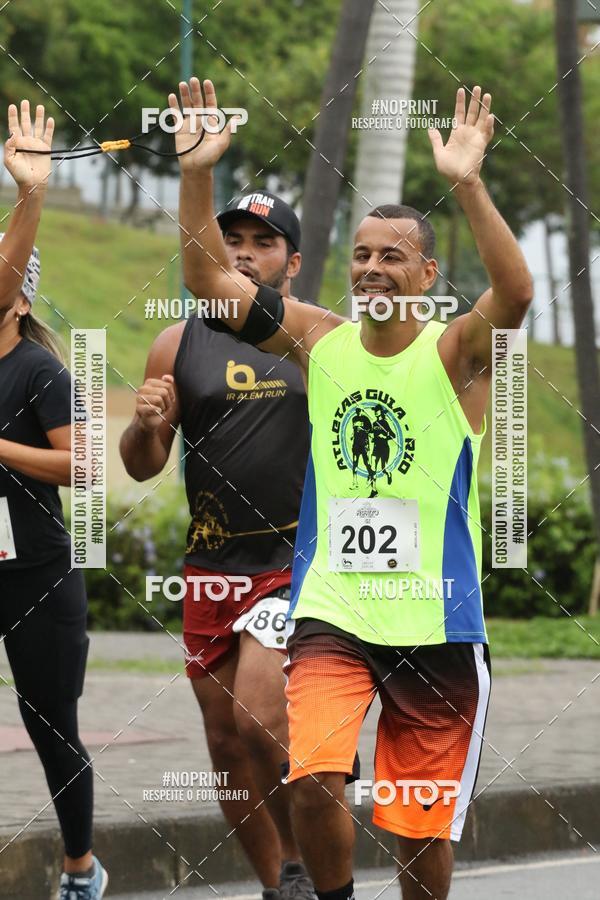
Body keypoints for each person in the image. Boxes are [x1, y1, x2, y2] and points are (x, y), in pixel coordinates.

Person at [173, 77, 534, 900]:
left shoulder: (454, 355)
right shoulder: (320, 343)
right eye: (362, 254)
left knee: (414, 830)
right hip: (334, 612)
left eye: (391, 256)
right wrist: (198, 174)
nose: (371, 267)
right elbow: (207, 283)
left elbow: (515, 293)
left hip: (435, 619)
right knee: (311, 775)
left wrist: (468, 184)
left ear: (426, 273)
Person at [119, 191, 315, 900]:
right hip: (210, 569)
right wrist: (145, 424)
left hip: (292, 564)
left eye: (262, 242)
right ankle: (277, 885)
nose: (241, 251)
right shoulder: (176, 342)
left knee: (257, 717)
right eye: (231, 237)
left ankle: (305, 855)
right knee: (225, 743)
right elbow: (142, 463)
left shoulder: (311, 339)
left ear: (292, 263)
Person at [0, 101, 107, 899]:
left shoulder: (40, 374)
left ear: (21, 297)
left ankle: (79, 869)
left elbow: (84, 468)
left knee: (51, 729)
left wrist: (30, 195)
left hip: (36, 580)